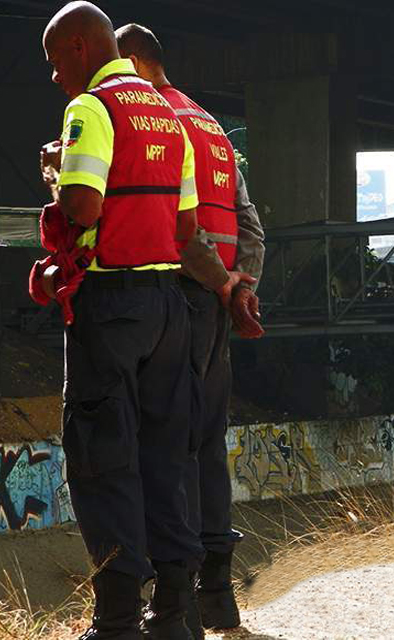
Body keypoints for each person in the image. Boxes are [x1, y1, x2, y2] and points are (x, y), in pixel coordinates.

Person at [39, 3, 237, 638]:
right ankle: (175, 617)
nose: (53, 78)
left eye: (53, 62)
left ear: (77, 48)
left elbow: (85, 208)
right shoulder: (167, 115)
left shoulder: (90, 110)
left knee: (103, 461)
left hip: (110, 305)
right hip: (168, 308)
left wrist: (57, 179)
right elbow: (186, 229)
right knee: (164, 460)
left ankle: (118, 620)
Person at [115, 23, 266, 634]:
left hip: (177, 299)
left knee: (165, 451)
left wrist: (214, 281)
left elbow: (175, 226)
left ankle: (171, 605)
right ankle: (218, 596)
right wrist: (241, 287)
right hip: (218, 315)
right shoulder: (212, 128)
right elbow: (250, 225)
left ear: (132, 60)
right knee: (206, 449)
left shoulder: (155, 123)